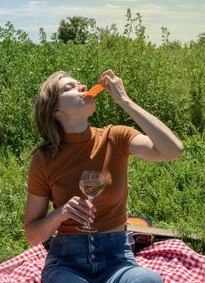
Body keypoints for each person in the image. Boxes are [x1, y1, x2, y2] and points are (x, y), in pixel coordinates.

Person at [24, 69, 183, 283]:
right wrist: (60, 214)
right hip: (66, 262)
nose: (81, 87)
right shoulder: (45, 158)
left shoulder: (115, 137)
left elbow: (173, 150)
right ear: (55, 110)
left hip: (116, 259)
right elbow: (33, 236)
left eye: (80, 83)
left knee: (148, 280)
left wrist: (125, 101)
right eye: (69, 87)